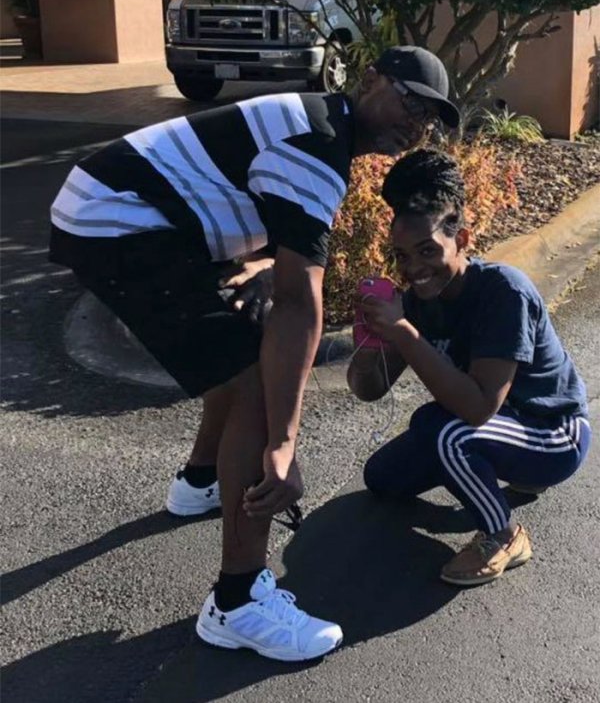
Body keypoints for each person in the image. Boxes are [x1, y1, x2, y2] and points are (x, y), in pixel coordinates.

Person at [48, 47, 459, 661]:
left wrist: (266, 262)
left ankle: (201, 480)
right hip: (119, 222)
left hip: (122, 212)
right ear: (369, 79)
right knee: (256, 384)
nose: (416, 122)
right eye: (410, 100)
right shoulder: (317, 143)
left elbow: (264, 222)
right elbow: (301, 303)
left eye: (429, 117)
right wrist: (282, 444)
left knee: (242, 340)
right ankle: (236, 603)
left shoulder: (320, 127)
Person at [348, 149, 590, 587]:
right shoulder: (419, 300)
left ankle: (504, 533)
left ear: (461, 240)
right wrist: (370, 339)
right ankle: (501, 469)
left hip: (553, 433)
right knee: (382, 479)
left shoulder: (503, 292)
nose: (413, 269)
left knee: (445, 431)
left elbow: (479, 409)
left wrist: (402, 331)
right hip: (494, 428)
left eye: (427, 250)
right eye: (401, 256)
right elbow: (370, 389)